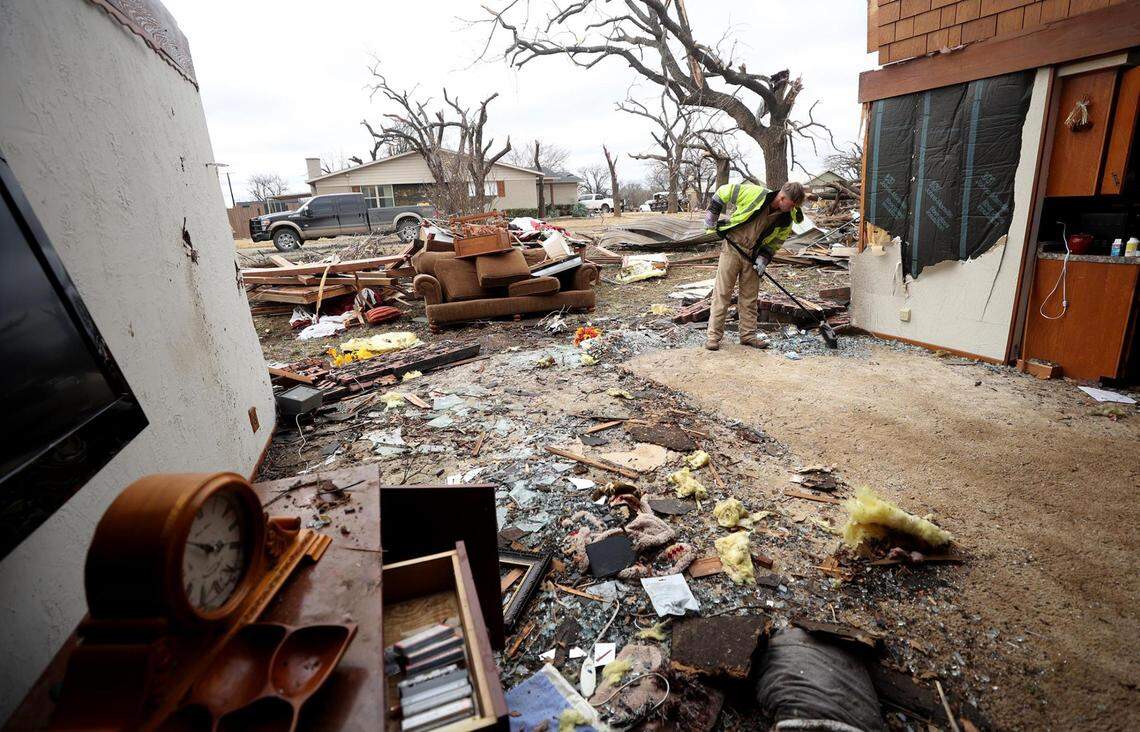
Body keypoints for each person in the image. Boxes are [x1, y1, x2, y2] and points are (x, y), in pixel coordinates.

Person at [702, 181, 805, 351]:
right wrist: (712, 215)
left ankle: (748, 336)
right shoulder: (756, 194)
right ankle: (713, 337)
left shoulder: (787, 220)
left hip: (753, 255)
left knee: (750, 297)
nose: (793, 208)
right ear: (782, 196)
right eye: (792, 204)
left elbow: (775, 244)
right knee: (722, 293)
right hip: (732, 247)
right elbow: (723, 191)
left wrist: (763, 259)